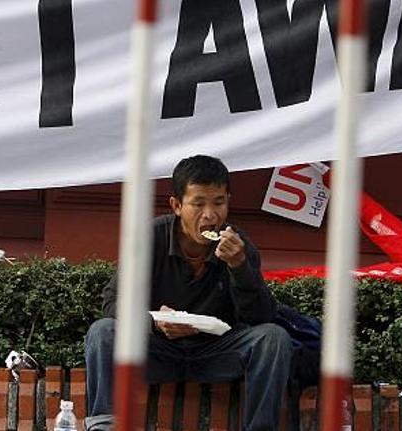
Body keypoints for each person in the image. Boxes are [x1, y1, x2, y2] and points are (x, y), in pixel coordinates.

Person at [84, 155, 292, 431]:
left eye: (219, 202)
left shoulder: (238, 246)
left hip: (216, 353)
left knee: (273, 338)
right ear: (177, 206)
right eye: (198, 204)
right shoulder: (151, 238)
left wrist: (239, 267)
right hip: (157, 352)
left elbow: (261, 317)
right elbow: (112, 301)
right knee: (103, 331)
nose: (210, 215)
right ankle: (104, 426)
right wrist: (152, 322)